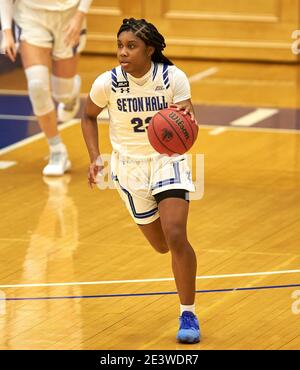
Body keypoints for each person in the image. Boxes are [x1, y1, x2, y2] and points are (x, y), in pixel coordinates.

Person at [81, 18, 200, 344]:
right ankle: (177, 262)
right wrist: (95, 156)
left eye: (130, 46)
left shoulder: (172, 78)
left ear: (149, 49)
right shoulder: (108, 82)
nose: (122, 52)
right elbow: (88, 115)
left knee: (176, 234)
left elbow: (188, 120)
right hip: (129, 169)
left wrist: (187, 118)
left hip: (167, 161)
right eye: (120, 45)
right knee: (162, 245)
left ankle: (187, 312)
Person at [0, 0, 93, 176]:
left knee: (63, 93)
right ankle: (57, 150)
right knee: (37, 87)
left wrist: (80, 15)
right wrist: (6, 31)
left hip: (69, 15)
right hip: (30, 16)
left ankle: (69, 97)